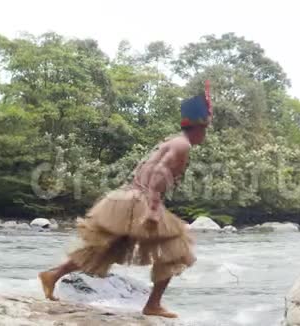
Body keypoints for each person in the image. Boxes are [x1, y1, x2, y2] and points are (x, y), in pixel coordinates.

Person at [38, 81, 213, 319]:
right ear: (199, 127)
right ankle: (153, 304)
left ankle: (53, 275)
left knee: (104, 248)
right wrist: (152, 208)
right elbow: (159, 172)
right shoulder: (182, 145)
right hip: (141, 200)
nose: (206, 133)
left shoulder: (172, 140)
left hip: (127, 197)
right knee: (177, 249)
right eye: (206, 128)